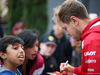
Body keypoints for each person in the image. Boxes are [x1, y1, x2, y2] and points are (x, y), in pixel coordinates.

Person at [53, 0, 100, 75]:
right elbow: (88, 70)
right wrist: (75, 71)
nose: (67, 33)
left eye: (65, 28)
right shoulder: (90, 36)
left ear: (74, 21)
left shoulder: (92, 39)